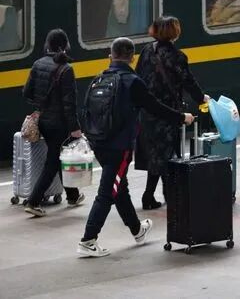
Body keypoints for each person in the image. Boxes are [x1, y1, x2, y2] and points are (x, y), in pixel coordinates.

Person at [78, 37, 194, 257]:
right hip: (119, 147)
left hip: (98, 142)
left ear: (110, 55)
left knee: (120, 187)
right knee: (108, 192)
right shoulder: (132, 82)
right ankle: (88, 239)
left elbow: (86, 111)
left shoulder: (99, 78)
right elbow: (155, 107)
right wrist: (181, 117)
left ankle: (137, 230)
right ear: (132, 58)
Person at [136, 16, 209, 210]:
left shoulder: (146, 51)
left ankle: (149, 196)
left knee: (157, 155)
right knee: (168, 156)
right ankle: (170, 197)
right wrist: (202, 98)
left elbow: (138, 77)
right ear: (175, 32)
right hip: (168, 112)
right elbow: (188, 82)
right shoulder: (177, 57)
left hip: (147, 111)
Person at [22, 29, 85, 217]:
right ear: (64, 45)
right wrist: (75, 128)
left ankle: (73, 195)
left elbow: (27, 93)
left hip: (43, 121)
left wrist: (42, 105)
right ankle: (33, 201)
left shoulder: (38, 63)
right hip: (59, 124)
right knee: (53, 162)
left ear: (48, 44)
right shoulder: (66, 68)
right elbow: (69, 103)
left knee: (58, 157)